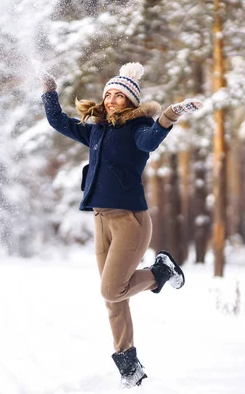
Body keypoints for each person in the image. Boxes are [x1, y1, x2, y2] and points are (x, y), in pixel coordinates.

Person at [40, 62, 202, 388]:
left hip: (130, 222)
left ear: (130, 101)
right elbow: (59, 122)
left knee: (111, 289)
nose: (112, 99)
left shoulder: (137, 129)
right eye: (109, 94)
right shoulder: (97, 129)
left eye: (119, 95)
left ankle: (161, 272)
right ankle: (130, 367)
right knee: (113, 298)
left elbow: (152, 139)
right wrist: (49, 92)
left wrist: (170, 114)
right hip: (101, 220)